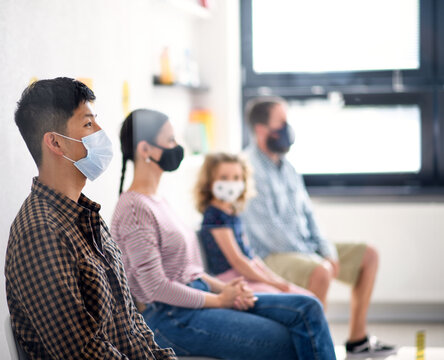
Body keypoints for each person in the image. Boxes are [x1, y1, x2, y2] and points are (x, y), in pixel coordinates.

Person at [110, 109, 337, 360]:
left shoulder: (158, 200)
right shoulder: (134, 208)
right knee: (288, 338)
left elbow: (191, 273)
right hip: (170, 318)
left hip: (191, 303)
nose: (177, 147)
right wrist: (220, 301)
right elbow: (155, 288)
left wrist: (227, 289)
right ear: (146, 150)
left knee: (309, 307)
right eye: (171, 140)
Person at [4, 78, 176, 359]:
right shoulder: (40, 232)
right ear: (56, 142)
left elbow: (130, 325)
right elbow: (84, 352)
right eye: (88, 124)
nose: (100, 132)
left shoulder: (87, 217)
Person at [241, 97, 397, 358]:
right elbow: (271, 234)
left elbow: (309, 215)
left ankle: (357, 341)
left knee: (368, 255)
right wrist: (316, 258)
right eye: (282, 123)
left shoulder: (287, 167)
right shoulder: (248, 168)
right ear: (261, 129)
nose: (288, 129)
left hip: (305, 247)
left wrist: (325, 250)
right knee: (321, 271)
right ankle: (314, 350)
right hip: (271, 256)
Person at [195, 152, 313, 296]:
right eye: (224, 178)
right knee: (291, 298)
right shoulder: (214, 216)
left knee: (307, 296)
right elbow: (238, 261)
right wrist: (271, 283)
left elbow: (249, 256)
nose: (231, 183)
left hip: (248, 273)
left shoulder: (233, 212)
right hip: (231, 279)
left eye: (236, 178)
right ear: (210, 181)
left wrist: (275, 279)